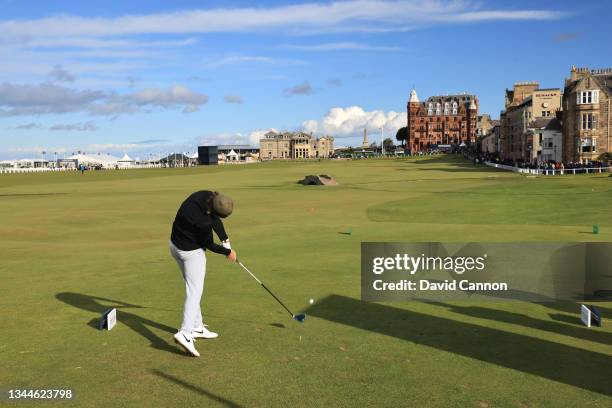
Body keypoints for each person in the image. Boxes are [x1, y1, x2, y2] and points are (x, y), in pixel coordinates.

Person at [169, 190, 237, 357]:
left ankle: (197, 327)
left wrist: (225, 240)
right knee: (195, 292)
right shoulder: (202, 223)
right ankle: (185, 333)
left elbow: (215, 219)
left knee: (191, 287)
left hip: (174, 246)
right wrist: (227, 252)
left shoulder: (203, 195)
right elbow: (209, 244)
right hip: (190, 253)